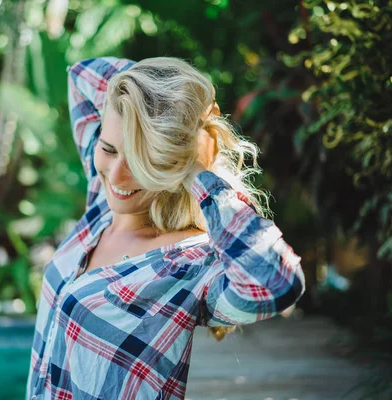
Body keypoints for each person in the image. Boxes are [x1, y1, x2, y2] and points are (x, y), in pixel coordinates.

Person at [25, 56, 306, 400]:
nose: (116, 176)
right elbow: (84, 75)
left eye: (142, 161)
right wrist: (172, 107)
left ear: (169, 160)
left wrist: (197, 167)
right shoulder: (103, 205)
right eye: (108, 149)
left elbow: (278, 282)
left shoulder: (191, 263)